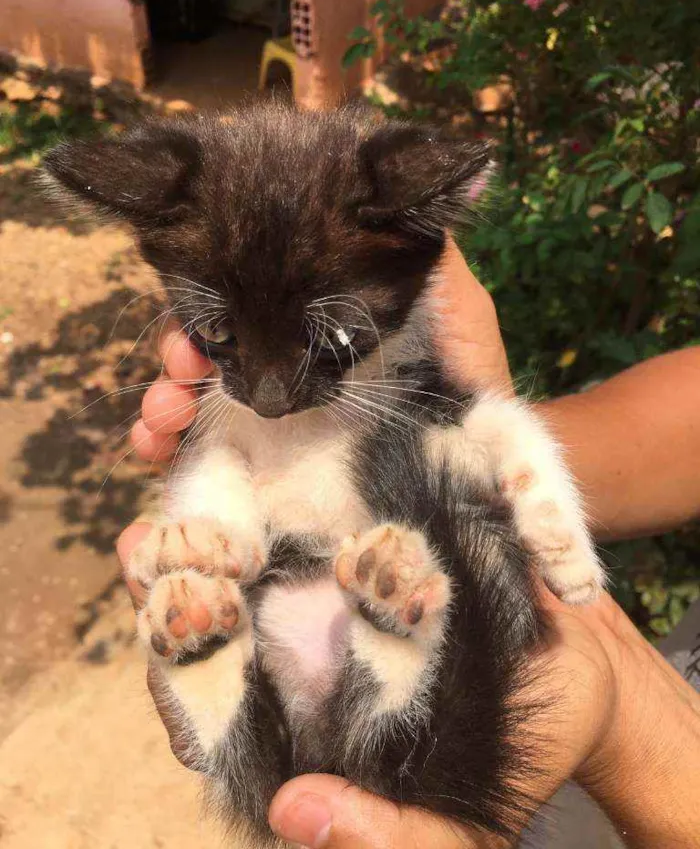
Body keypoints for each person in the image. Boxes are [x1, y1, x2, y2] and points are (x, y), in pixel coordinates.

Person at [117, 239, 700, 849]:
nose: (272, 395)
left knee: (378, 737)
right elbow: (463, 434)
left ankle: (243, 694)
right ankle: (265, 690)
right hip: (337, 596)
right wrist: (504, 483)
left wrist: (618, 699)